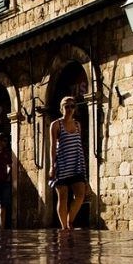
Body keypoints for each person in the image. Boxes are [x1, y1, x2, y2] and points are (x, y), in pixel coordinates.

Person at [49, 96, 88, 230]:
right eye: (67, 106)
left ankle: (69, 221)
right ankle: (64, 227)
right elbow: (53, 147)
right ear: (61, 109)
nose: (70, 109)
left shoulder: (77, 125)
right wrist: (52, 166)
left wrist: (83, 165)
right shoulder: (56, 125)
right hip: (62, 165)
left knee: (81, 195)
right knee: (63, 197)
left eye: (72, 106)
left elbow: (78, 145)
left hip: (76, 165)